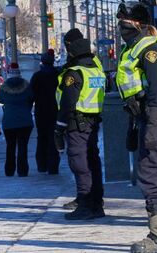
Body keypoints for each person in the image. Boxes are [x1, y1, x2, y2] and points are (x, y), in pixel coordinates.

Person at [115, 2, 157, 252]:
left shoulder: (149, 48)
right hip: (154, 117)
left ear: (138, 24)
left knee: (151, 173)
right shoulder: (134, 47)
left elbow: (156, 89)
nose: (120, 28)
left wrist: (152, 124)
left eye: (124, 23)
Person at [54, 34, 106, 221]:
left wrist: (59, 128)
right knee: (93, 162)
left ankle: (85, 205)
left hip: (77, 123)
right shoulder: (96, 69)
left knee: (80, 164)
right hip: (92, 122)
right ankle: (96, 203)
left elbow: (68, 102)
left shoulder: (75, 72)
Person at [0, 63, 34, 177]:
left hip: (9, 121)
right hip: (25, 121)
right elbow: (32, 97)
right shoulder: (27, 86)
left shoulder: (4, 87)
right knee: (23, 146)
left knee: (10, 146)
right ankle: (23, 171)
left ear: (9, 73)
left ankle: (9, 170)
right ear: (19, 72)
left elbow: (0, 100)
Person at [31, 49, 60, 175]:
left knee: (41, 137)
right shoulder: (57, 75)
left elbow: (31, 94)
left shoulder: (37, 76)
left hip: (41, 111)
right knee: (53, 138)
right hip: (55, 110)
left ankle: (42, 165)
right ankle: (53, 166)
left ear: (42, 62)